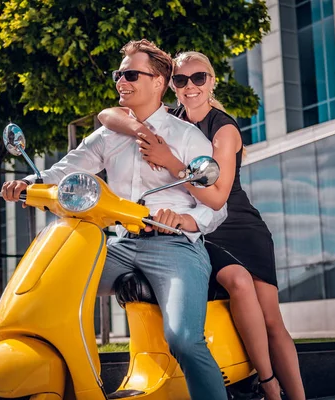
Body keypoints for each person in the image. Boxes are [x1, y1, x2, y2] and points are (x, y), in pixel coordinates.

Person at [1, 40, 228, 400]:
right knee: (54, 286)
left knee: (183, 339)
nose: (121, 80)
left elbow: (217, 206)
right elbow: (65, 169)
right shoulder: (109, 135)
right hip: (121, 244)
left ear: (158, 82)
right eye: (119, 74)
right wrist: (27, 182)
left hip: (174, 246)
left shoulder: (186, 136)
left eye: (131, 74)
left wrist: (185, 219)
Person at [98, 51, 306, 400]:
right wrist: (137, 127)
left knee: (266, 313)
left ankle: (284, 392)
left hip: (234, 226)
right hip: (186, 230)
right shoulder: (167, 119)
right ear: (170, 86)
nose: (190, 86)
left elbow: (219, 196)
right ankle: (254, 381)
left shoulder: (222, 128)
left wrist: (170, 161)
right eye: (181, 80)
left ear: (212, 82)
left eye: (199, 78)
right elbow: (108, 114)